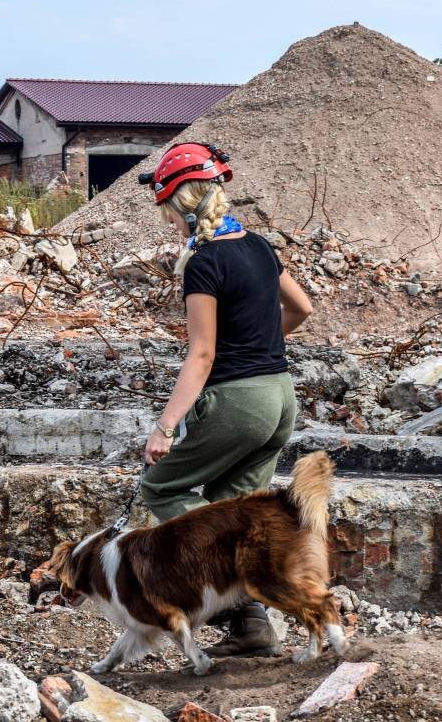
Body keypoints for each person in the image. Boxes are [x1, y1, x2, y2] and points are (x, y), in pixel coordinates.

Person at [136, 142, 314, 657]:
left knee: (162, 489)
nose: (168, 222)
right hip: (281, 399)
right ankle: (252, 629)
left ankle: (227, 599)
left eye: (167, 211)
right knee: (232, 511)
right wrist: (260, 348)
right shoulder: (259, 246)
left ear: (181, 204)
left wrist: (165, 427)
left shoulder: (205, 262)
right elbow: (302, 308)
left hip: (239, 403)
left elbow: (202, 355)